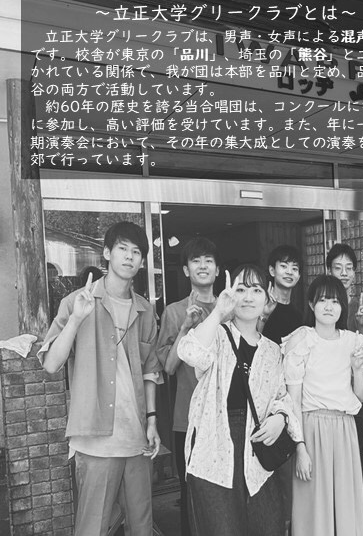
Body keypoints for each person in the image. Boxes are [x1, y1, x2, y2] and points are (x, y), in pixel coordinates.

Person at [39, 221, 162, 536]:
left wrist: (151, 420)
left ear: (142, 261)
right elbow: (51, 364)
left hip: (136, 438)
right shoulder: (77, 301)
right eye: (122, 248)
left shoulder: (145, 310)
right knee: (92, 527)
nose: (129, 256)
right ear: (107, 253)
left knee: (142, 526)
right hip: (95, 439)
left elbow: (151, 371)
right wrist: (76, 320)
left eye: (136, 252)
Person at [178, 265, 303, 536]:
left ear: (267, 297)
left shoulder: (272, 350)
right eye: (241, 289)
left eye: (256, 290)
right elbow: (189, 352)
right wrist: (218, 312)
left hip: (257, 453)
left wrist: (280, 419)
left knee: (268, 527)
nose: (248, 297)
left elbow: (282, 397)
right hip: (214, 450)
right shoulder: (217, 335)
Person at [285, 275, 363, 536]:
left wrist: (357, 370)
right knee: (313, 504)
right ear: (311, 305)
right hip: (311, 427)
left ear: (343, 306)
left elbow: (362, 396)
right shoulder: (302, 339)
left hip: (344, 428)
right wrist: (300, 446)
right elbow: (293, 399)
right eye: (322, 300)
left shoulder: (353, 341)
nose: (329, 306)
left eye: (335, 301)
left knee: (346, 502)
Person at [155, 237, 219, 536]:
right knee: (191, 490)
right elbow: (168, 367)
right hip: (189, 419)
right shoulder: (173, 311)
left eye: (208, 260)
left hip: (226, 415)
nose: (202, 266)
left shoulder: (228, 308)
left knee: (224, 491)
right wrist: (185, 328)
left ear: (217, 269)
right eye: (196, 261)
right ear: (185, 270)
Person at [326, 243, 363, 453]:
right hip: (329, 395)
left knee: (355, 454)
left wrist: (362, 325)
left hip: (355, 391)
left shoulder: (359, 307)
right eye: (338, 268)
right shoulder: (323, 307)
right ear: (329, 271)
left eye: (349, 268)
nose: (344, 273)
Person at [261, 245, 304, 344]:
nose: (289, 272)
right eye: (284, 266)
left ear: (299, 276)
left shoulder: (299, 316)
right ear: (272, 271)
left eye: (294, 268)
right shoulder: (261, 306)